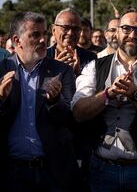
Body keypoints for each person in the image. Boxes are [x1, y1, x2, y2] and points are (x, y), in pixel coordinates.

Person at [71, 8, 137, 191]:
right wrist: (107, 94)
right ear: (116, 32)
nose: (132, 35)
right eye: (126, 28)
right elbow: (78, 112)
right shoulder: (95, 66)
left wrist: (135, 94)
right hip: (102, 168)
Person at [0, 12, 79, 191]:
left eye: (44, 34)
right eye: (35, 35)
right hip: (12, 172)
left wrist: (55, 101)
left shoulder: (61, 71)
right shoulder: (2, 71)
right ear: (17, 40)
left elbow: (70, 119)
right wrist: (1, 99)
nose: (43, 40)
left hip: (52, 171)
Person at [48, 8, 97, 76]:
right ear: (53, 30)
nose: (70, 33)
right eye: (65, 28)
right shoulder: (42, 57)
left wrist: (77, 73)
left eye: (75, 29)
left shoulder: (90, 58)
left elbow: (93, 85)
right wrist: (54, 72)